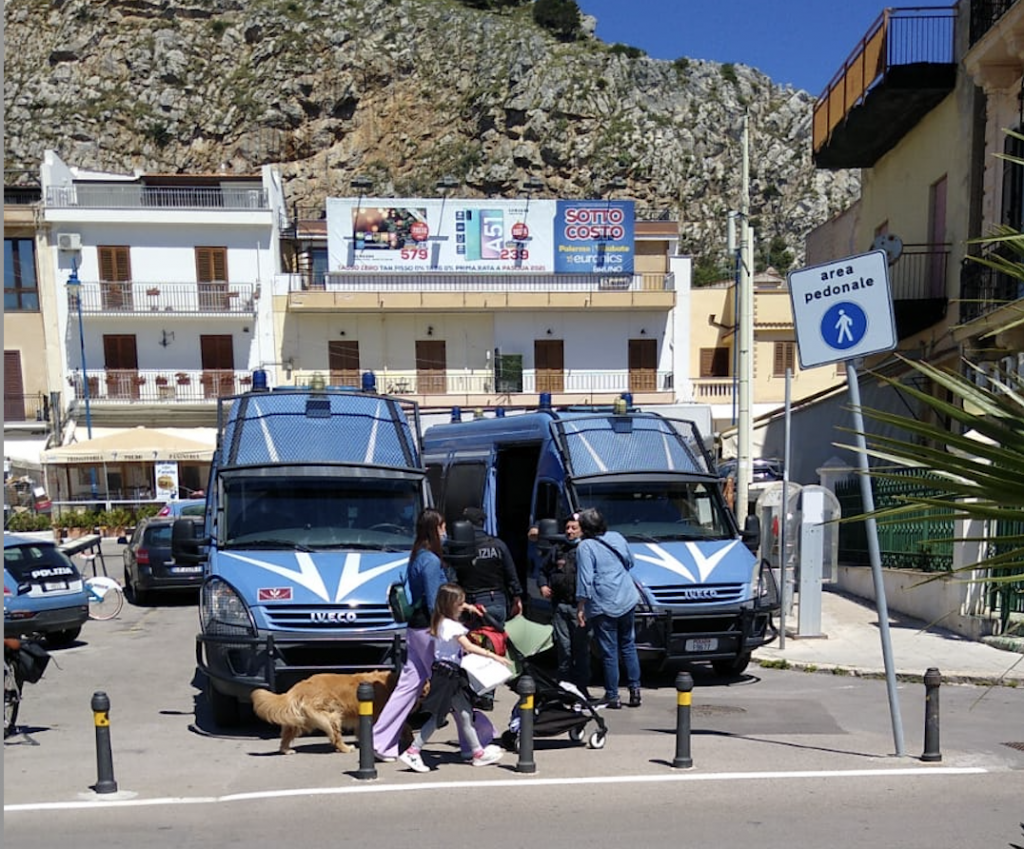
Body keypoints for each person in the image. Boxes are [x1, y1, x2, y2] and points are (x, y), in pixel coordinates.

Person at [372, 508, 494, 762]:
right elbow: (433, 601)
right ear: (435, 529)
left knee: (409, 685)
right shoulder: (430, 561)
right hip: (430, 629)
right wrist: (449, 627)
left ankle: (381, 741)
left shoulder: (416, 556)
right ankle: (474, 743)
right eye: (443, 527)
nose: (446, 531)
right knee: (452, 683)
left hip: (415, 628)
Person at [397, 583, 511, 773]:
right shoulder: (452, 626)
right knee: (438, 716)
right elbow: (469, 647)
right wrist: (494, 656)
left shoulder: (440, 620)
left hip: (448, 672)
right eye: (460, 603)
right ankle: (413, 750)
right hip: (447, 674)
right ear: (450, 605)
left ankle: (477, 752)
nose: (463, 606)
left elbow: (458, 607)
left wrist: (468, 606)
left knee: (465, 713)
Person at [574, 507, 642, 710]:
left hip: (604, 602)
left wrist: (580, 605)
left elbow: (585, 579)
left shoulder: (585, 547)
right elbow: (630, 561)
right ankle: (635, 690)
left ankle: (613, 695)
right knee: (628, 644)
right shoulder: (617, 537)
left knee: (609, 650)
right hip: (627, 596)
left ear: (585, 528)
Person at [538, 514, 591, 696]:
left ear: (582, 530)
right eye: (567, 528)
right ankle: (563, 688)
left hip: (580, 608)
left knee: (581, 650)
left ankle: (581, 689)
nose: (569, 531)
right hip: (560, 607)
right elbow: (543, 571)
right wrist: (543, 585)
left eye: (573, 528)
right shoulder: (557, 549)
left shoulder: (588, 549)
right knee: (564, 649)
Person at [452, 507, 523, 631]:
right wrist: (517, 597)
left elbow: (452, 577)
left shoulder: (460, 547)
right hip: (496, 601)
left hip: (470, 603)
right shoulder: (498, 545)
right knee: (496, 642)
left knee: (473, 645)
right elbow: (511, 574)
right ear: (482, 523)